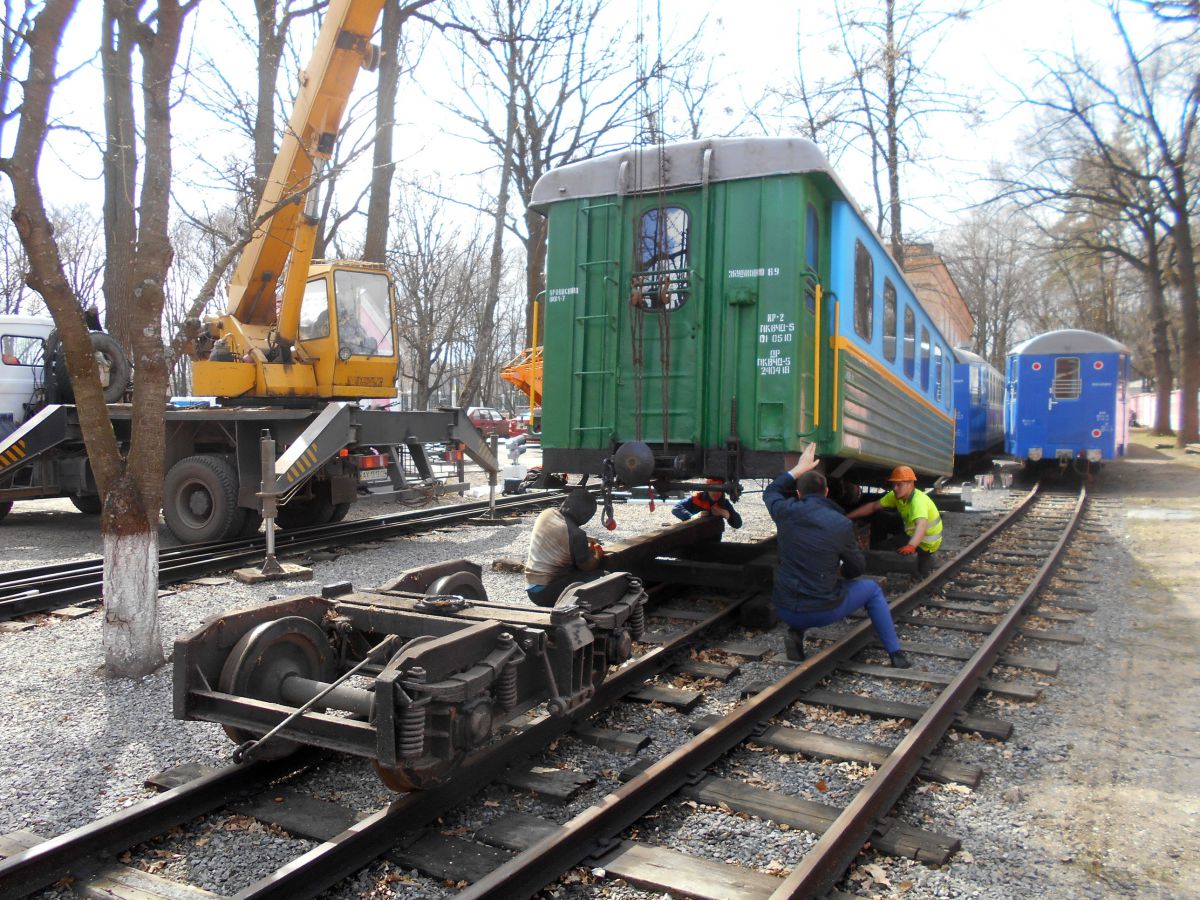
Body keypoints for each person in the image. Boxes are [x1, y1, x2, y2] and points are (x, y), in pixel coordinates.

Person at [764, 444, 910, 668]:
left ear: (799, 493)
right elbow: (857, 568)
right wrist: (840, 571)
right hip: (821, 612)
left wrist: (799, 469)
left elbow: (771, 491)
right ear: (826, 492)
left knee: (802, 580)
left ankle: (795, 633)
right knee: (872, 590)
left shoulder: (785, 512)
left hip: (785, 609)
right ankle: (895, 653)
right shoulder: (841, 523)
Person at [847, 465, 942, 578]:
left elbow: (921, 526)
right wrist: (847, 516)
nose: (895, 488)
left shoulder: (917, 502)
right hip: (912, 531)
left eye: (899, 484)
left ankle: (878, 556)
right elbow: (873, 507)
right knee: (880, 515)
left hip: (925, 543)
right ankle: (876, 549)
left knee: (883, 548)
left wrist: (911, 546)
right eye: (894, 484)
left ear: (910, 484)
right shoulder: (897, 495)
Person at [524, 488, 604, 606]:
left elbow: (559, 534)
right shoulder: (577, 534)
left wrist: (586, 540)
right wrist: (597, 555)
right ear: (585, 515)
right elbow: (588, 566)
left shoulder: (547, 513)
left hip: (531, 588)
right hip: (546, 592)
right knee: (603, 577)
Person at [671, 479, 742, 529]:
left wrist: (728, 515)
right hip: (693, 539)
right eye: (713, 490)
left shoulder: (723, 503)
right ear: (707, 489)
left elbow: (738, 524)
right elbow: (676, 508)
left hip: (714, 540)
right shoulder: (697, 498)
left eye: (719, 490)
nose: (716, 493)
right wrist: (691, 517)